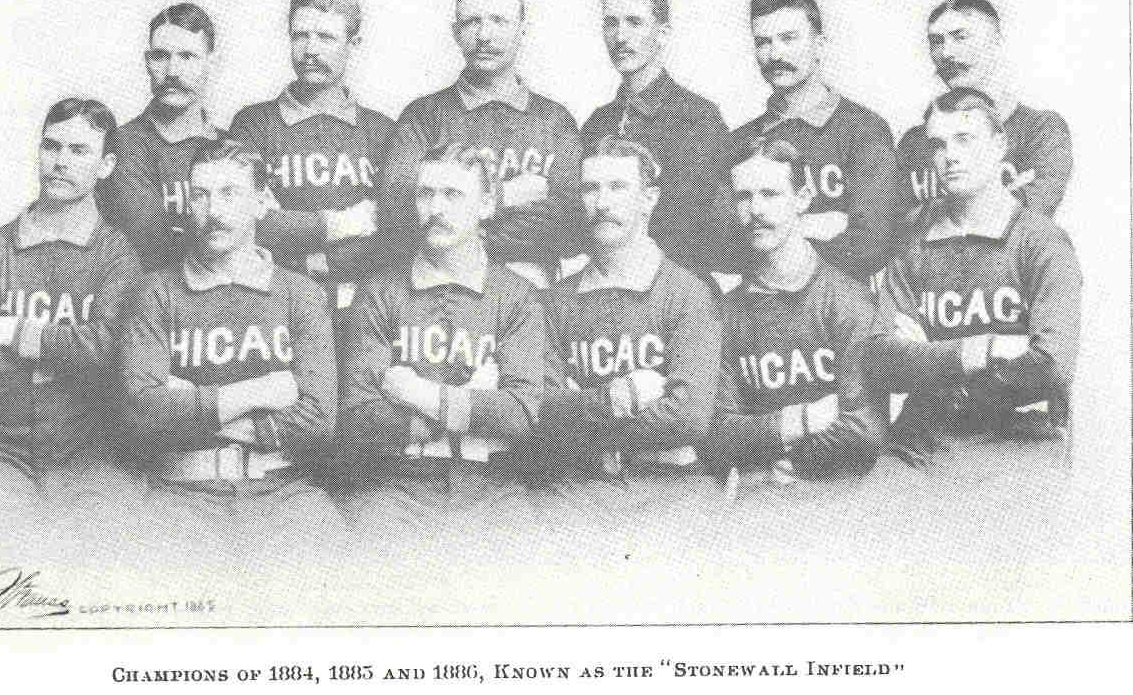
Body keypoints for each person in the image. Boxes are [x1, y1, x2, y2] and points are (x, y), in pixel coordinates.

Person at [120, 139, 344, 550]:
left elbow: (317, 423)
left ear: (261, 202)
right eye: (201, 196)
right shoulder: (155, 291)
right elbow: (142, 414)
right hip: (181, 492)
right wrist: (260, 392)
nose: (214, 211)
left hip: (285, 491)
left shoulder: (301, 293)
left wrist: (191, 402)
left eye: (229, 194)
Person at [0, 98, 140, 557]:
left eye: (78, 150)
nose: (60, 161)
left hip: (93, 452)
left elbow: (109, 349)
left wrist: (17, 335)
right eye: (52, 147)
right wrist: (60, 359)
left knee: (110, 555)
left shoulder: (118, 255)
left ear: (106, 165)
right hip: (2, 449)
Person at [337, 143, 552, 535]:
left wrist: (416, 393)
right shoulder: (380, 292)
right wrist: (472, 404)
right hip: (394, 482)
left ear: (486, 205)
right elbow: (359, 418)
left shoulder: (517, 296)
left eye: (453, 195)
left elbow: (523, 416)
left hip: (492, 485)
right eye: (426, 194)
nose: (436, 208)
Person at [871, 88, 1081, 462]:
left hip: (1018, 444)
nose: (950, 156)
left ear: (1000, 145)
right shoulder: (913, 238)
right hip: (921, 446)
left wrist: (931, 360)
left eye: (964, 139)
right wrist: (987, 349)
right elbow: (884, 358)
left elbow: (1050, 368)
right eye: (938, 144)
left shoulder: (1041, 241)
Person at [535, 137, 723, 526]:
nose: (602, 202)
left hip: (670, 488)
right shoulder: (555, 301)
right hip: (577, 490)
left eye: (617, 187)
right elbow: (542, 414)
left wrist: (580, 412)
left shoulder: (687, 292)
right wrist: (623, 397)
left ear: (649, 198)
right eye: (591, 188)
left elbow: (689, 417)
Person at [387, 0, 583, 289]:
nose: (484, 35)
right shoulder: (423, 117)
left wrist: (456, 223)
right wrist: (504, 197)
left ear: (521, 30)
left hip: (537, 296)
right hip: (444, 295)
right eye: (471, 22)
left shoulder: (555, 121)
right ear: (455, 33)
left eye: (499, 21)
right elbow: (398, 214)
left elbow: (574, 225)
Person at [707, 139, 887, 481]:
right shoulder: (726, 313)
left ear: (802, 198)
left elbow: (865, 431)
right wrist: (804, 420)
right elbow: (718, 434)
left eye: (770, 194)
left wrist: (785, 461)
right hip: (762, 494)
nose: (756, 209)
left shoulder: (849, 301)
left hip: (844, 489)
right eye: (744, 196)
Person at [229, 0, 395, 318]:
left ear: (353, 43)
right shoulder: (253, 124)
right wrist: (347, 223)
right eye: (300, 36)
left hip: (362, 310)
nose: (310, 50)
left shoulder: (382, 131)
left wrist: (303, 245)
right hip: (273, 306)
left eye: (326, 37)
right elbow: (248, 223)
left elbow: (393, 233)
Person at [720, 0, 901, 283]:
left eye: (789, 39)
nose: (775, 53)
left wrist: (769, 234)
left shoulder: (863, 129)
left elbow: (870, 246)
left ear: (819, 45)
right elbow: (722, 247)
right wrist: (813, 225)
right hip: (760, 307)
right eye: (763, 42)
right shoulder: (740, 142)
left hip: (841, 305)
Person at [580, 0, 728, 275]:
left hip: (676, 285)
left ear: (662, 34)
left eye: (634, 22)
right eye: (611, 23)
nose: (620, 37)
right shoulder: (598, 123)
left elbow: (692, 226)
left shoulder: (697, 119)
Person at [897, 0, 1072, 217]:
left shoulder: (1040, 130)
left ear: (996, 42)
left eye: (961, 37)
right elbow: (891, 224)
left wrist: (932, 212)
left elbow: (1025, 220)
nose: (946, 53)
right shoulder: (915, 142)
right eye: (937, 41)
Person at [99, 3, 225, 271]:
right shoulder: (125, 144)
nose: (172, 71)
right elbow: (153, 243)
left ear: (212, 63)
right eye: (160, 56)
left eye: (187, 56)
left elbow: (265, 228)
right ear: (147, 62)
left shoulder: (230, 143)